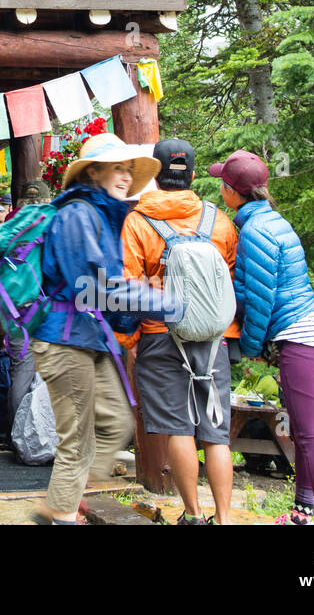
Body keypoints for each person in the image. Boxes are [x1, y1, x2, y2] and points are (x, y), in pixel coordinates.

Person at [27, 133, 167, 524]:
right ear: (94, 171)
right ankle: (61, 512)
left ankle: (60, 502)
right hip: (62, 339)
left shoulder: (104, 216)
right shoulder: (77, 215)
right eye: (117, 168)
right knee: (77, 441)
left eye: (128, 169)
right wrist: (165, 303)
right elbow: (93, 287)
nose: (125, 176)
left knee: (118, 423)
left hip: (89, 337)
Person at [211, 149, 314, 525]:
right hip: (306, 339)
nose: (220, 190)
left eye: (224, 184)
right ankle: (302, 514)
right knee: (301, 432)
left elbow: (260, 299)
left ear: (235, 191)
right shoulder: (271, 221)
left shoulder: (255, 230)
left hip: (302, 342)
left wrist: (250, 347)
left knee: (312, 436)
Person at [122, 138, 240, 524]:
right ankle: (224, 517)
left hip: (160, 335)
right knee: (215, 432)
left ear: (155, 175)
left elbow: (128, 289)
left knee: (178, 428)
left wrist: (132, 340)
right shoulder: (218, 221)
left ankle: (193, 514)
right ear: (191, 173)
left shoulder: (138, 222)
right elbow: (230, 282)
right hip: (211, 338)